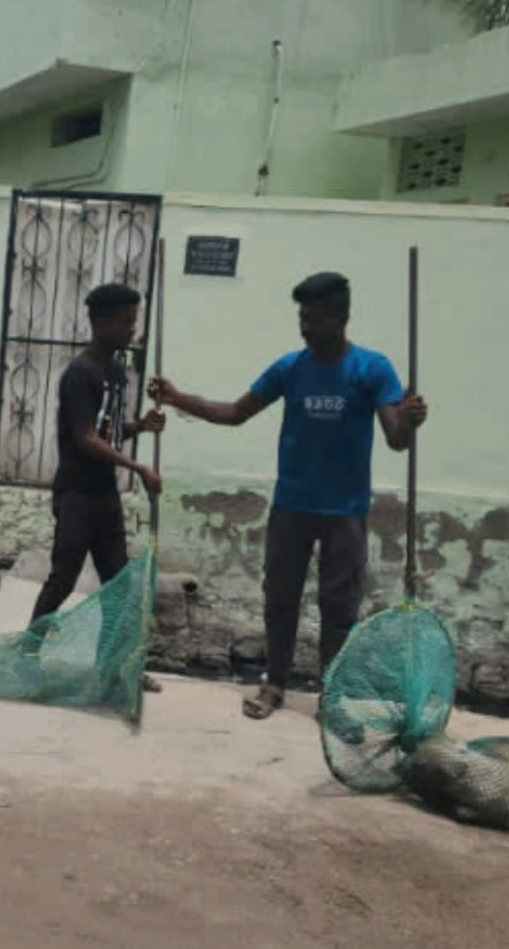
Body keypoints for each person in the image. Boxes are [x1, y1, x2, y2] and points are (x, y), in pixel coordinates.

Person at [150, 269, 426, 720]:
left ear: (341, 316)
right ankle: (274, 683)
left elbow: (396, 438)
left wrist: (411, 419)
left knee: (340, 607)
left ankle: (331, 694)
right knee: (280, 598)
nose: (305, 327)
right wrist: (178, 398)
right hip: (292, 506)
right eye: (301, 318)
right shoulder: (290, 368)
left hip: (346, 512)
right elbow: (235, 413)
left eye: (314, 319)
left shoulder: (372, 369)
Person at [31, 280, 163, 624]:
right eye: (124, 323)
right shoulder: (80, 372)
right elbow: (86, 438)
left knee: (117, 583)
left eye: (134, 322)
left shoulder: (116, 373)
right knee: (63, 579)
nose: (131, 331)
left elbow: (110, 432)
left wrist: (141, 425)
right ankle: (26, 653)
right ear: (100, 323)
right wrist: (138, 468)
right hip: (76, 494)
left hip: (106, 493)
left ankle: (113, 668)